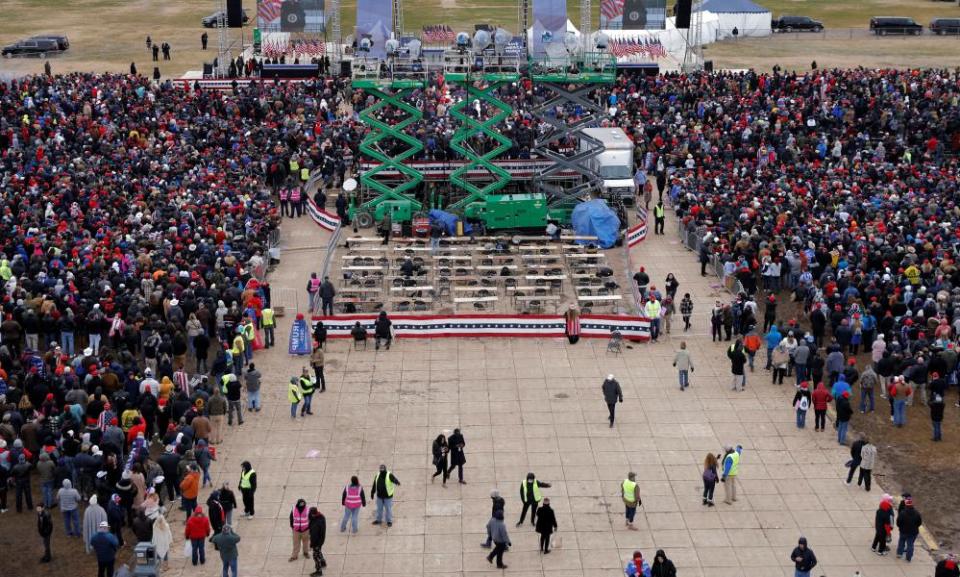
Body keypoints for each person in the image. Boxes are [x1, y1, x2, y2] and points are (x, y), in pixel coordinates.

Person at [896, 497, 923, 562]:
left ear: (906, 505)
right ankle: (909, 557)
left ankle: (899, 553)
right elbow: (919, 523)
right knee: (910, 544)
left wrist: (900, 527)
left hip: (903, 531)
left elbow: (898, 522)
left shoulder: (902, 513)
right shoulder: (917, 513)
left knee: (901, 542)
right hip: (913, 532)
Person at [308, 507, 327, 576]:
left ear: (312, 514)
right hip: (321, 539)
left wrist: (311, 545)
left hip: (316, 542)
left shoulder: (315, 524)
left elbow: (314, 536)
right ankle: (323, 562)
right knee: (319, 551)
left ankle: (319, 571)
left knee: (315, 556)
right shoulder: (321, 517)